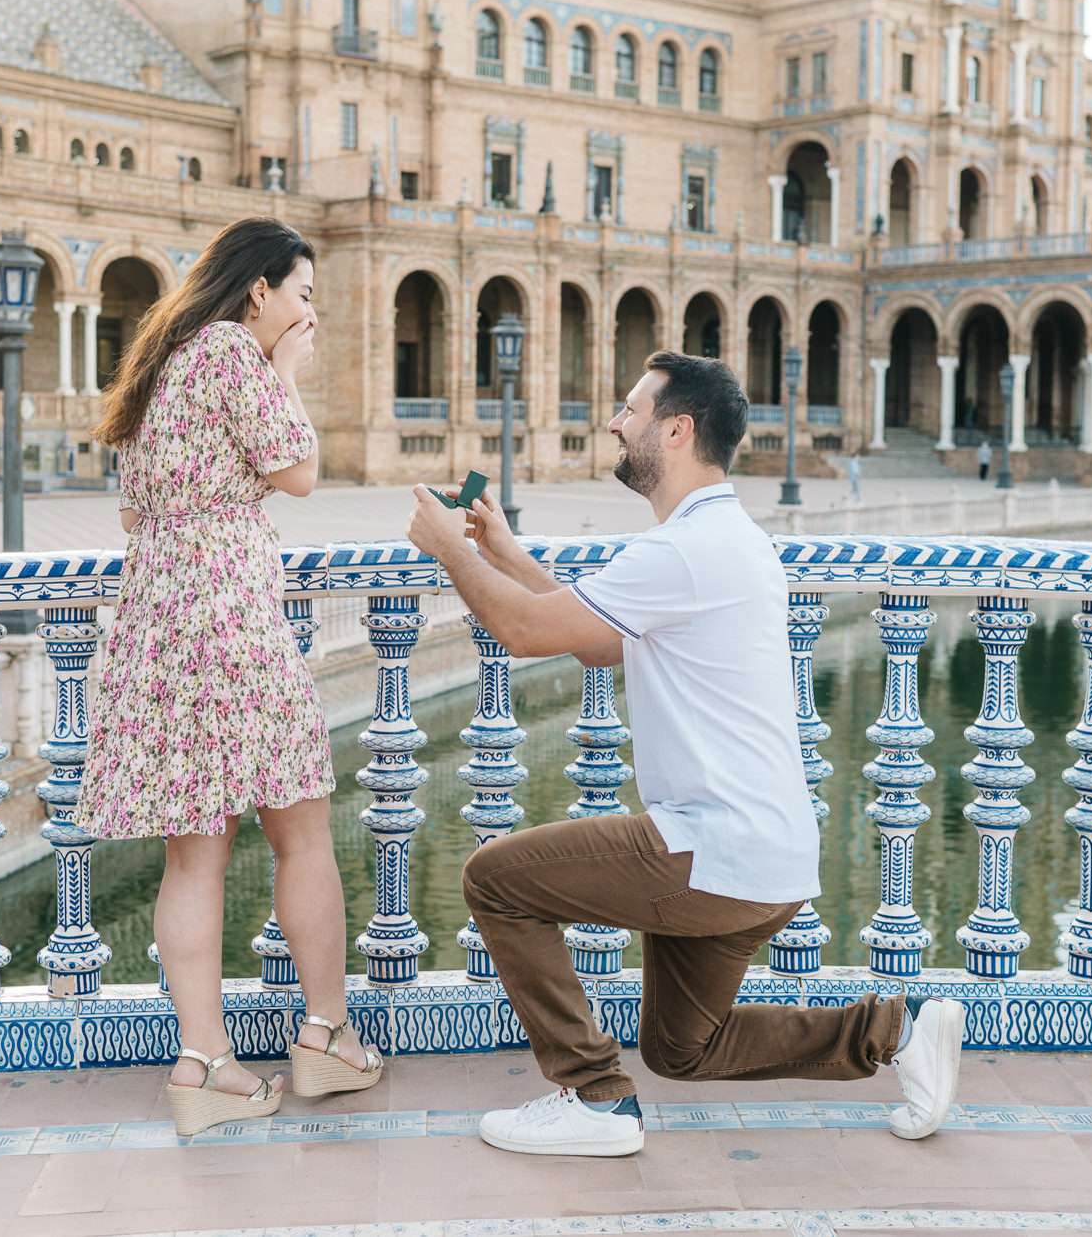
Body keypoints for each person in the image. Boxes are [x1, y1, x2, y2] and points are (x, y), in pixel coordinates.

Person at [405, 351, 965, 1159]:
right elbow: (596, 640)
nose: (614, 422)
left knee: (494, 881)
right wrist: (500, 549)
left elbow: (526, 633)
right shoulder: (721, 539)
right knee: (683, 1048)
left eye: (630, 411)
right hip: (762, 853)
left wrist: (447, 549)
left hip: (713, 844)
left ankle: (595, 1097)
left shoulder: (683, 552)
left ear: (676, 429)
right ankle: (897, 1031)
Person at [80, 217, 382, 1139]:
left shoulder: (164, 357)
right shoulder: (226, 351)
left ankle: (205, 1061)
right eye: (302, 295)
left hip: (160, 618)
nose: (307, 313)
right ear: (259, 291)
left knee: (192, 852)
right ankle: (324, 1038)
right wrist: (283, 369)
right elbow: (297, 471)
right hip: (231, 619)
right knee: (301, 831)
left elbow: (136, 509)